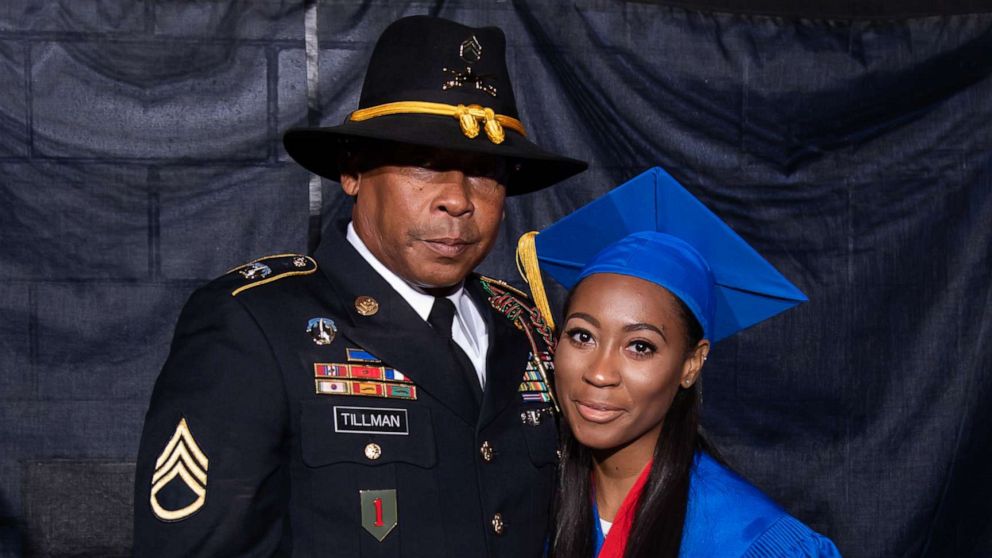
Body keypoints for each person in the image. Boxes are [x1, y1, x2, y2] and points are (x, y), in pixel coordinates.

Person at [133, 15, 586, 557]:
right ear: (352, 171)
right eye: (425, 164)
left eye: (485, 172)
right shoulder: (256, 324)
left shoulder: (528, 325)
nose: (459, 199)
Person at [515, 168, 842, 557]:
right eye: (582, 336)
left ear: (691, 363)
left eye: (640, 346)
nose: (599, 373)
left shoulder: (748, 540)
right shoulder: (528, 509)